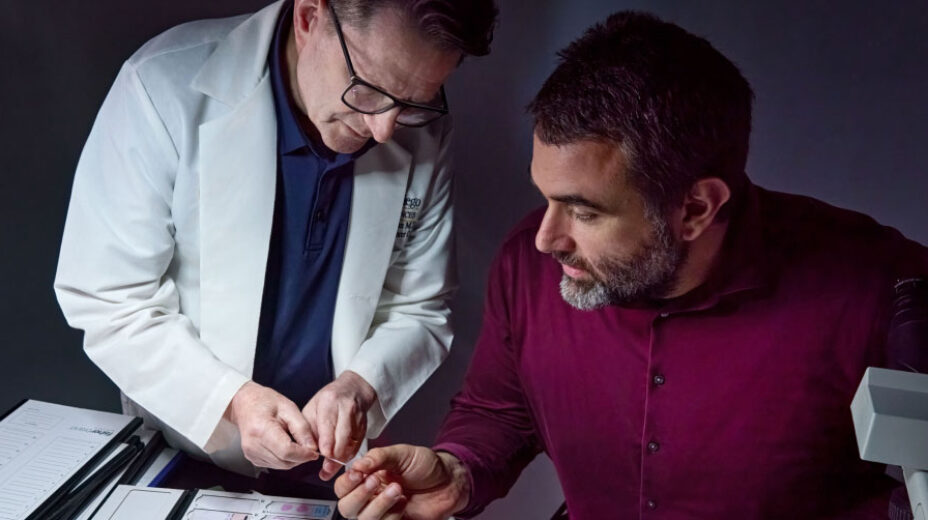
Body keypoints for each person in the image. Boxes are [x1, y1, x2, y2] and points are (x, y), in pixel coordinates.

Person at [331, 10, 928, 519]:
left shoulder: (879, 287)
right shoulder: (531, 268)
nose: (545, 239)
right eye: (546, 198)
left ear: (696, 207)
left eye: (584, 212)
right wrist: (458, 471)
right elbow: (502, 408)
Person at [53, 0, 497, 482]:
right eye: (369, 89)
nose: (385, 128)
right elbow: (111, 298)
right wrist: (234, 400)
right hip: (187, 444)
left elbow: (420, 307)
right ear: (309, 17)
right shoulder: (160, 85)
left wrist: (358, 386)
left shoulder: (423, 129)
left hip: (334, 466)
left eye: (412, 101)